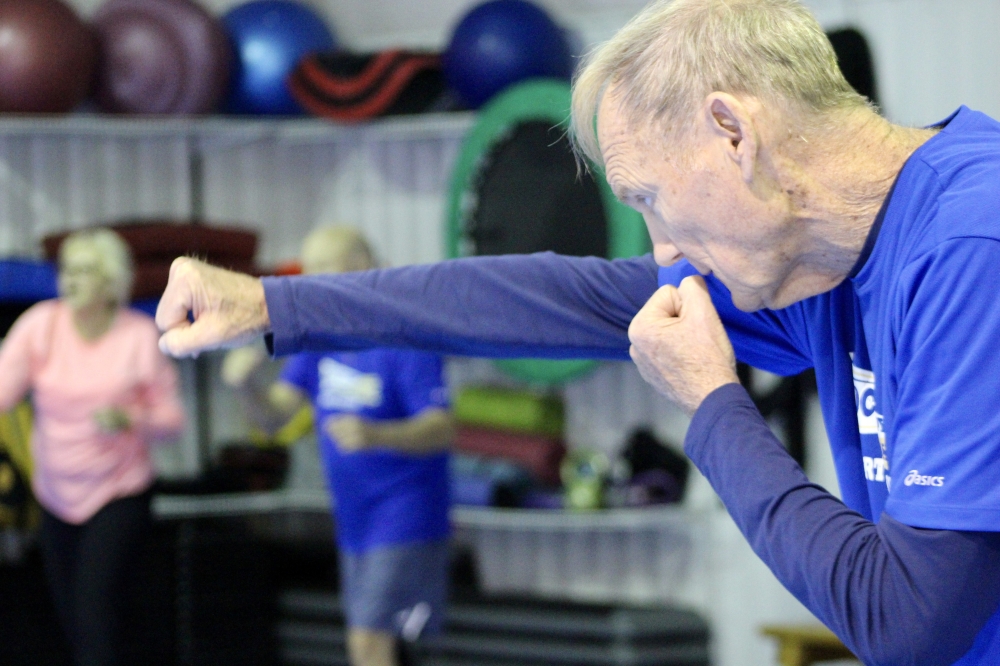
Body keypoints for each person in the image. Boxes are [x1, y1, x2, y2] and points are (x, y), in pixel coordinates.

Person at [153, 0, 1000, 663]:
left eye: (650, 198)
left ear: (734, 133)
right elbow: (556, 298)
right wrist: (277, 306)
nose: (663, 249)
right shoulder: (821, 252)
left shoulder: (971, 247)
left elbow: (908, 619)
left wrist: (711, 402)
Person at [221, 226, 455, 666]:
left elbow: (440, 427)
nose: (313, 282)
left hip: (406, 517)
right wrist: (246, 386)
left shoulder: (404, 339)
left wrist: (377, 435)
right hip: (355, 521)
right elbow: (274, 418)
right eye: (308, 271)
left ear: (363, 267)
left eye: (325, 269)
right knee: (377, 643)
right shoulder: (320, 341)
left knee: (370, 642)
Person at [0, 228, 185, 666]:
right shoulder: (40, 324)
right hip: (56, 494)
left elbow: (172, 422)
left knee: (95, 615)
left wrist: (130, 419)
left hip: (118, 493)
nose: (71, 281)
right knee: (71, 621)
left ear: (110, 281)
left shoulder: (138, 336)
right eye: (67, 271)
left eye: (84, 271)